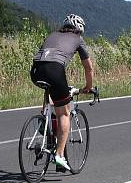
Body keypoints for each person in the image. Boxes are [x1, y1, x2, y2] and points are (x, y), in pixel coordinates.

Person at [30, 14, 94, 172]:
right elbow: (88, 67)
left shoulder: (52, 34)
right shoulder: (78, 39)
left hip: (36, 70)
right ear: (79, 29)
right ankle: (59, 155)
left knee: (51, 93)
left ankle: (44, 121)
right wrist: (88, 86)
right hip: (55, 70)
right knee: (63, 114)